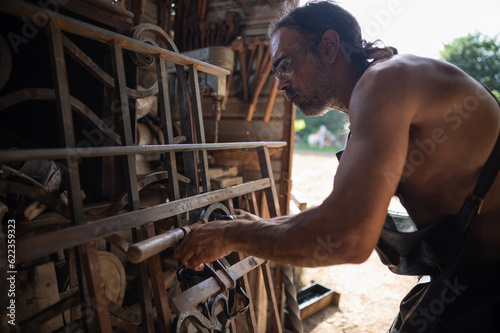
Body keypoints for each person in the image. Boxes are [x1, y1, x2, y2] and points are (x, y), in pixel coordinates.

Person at [175, 1, 500, 331]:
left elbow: (349, 235)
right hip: (469, 275)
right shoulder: (372, 99)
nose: (281, 84)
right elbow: (338, 212)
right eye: (276, 72)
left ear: (329, 46)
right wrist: (264, 225)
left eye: (285, 65)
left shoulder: (385, 82)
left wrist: (235, 235)